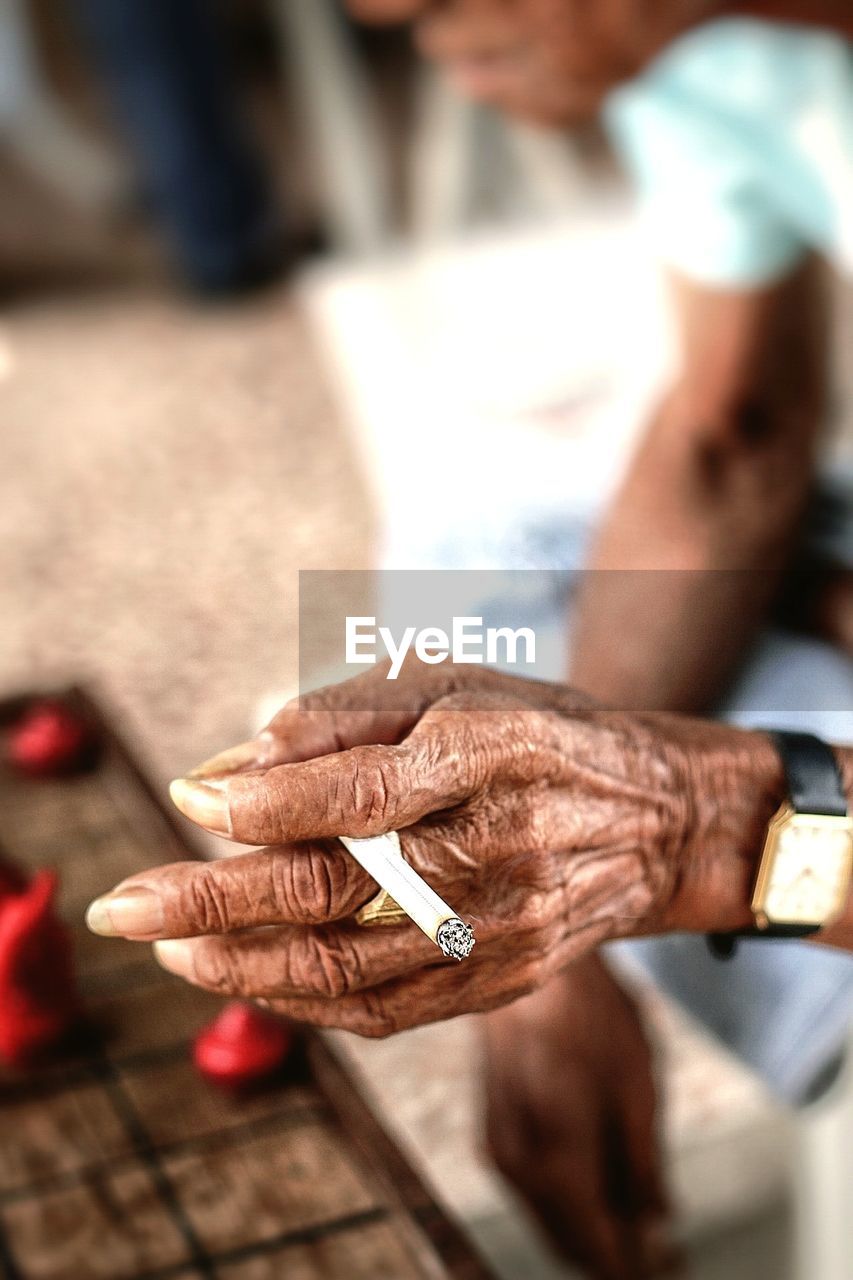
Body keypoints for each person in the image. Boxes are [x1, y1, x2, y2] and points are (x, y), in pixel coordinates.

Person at [90, 3, 853, 1276]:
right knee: (470, 546)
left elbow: (695, 805)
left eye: (435, 4)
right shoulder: (700, 48)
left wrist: (694, 833)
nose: (397, 26)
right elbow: (730, 435)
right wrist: (552, 952)